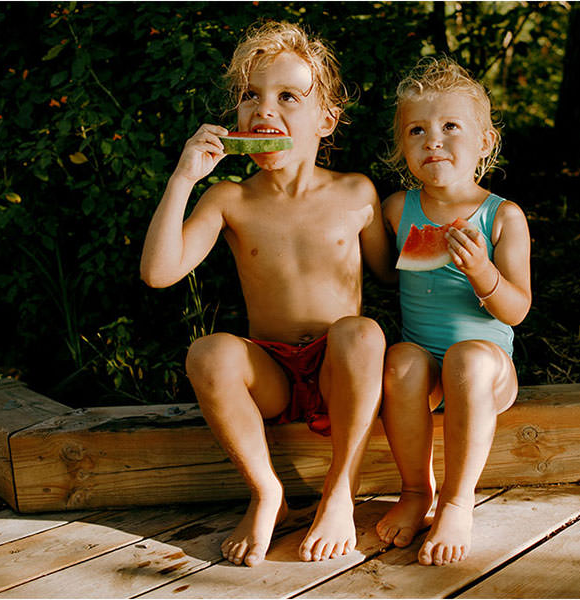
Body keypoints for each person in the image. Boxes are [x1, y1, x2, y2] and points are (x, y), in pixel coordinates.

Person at [140, 21, 395, 568]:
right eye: (250, 96)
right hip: (272, 376)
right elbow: (160, 273)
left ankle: (339, 491)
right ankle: (267, 491)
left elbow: (394, 277)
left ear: (326, 120)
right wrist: (183, 179)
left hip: (339, 370)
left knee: (361, 331)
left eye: (286, 97)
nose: (263, 110)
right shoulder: (229, 198)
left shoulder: (356, 191)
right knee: (208, 351)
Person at [375, 57, 532, 566]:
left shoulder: (502, 215)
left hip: (488, 372)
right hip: (424, 372)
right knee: (399, 358)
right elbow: (381, 272)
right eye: (416, 130)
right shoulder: (399, 210)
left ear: (485, 142)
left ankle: (457, 500)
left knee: (468, 357)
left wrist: (483, 272)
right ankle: (416, 491)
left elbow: (517, 310)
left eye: (450, 126)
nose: (432, 140)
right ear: (403, 147)